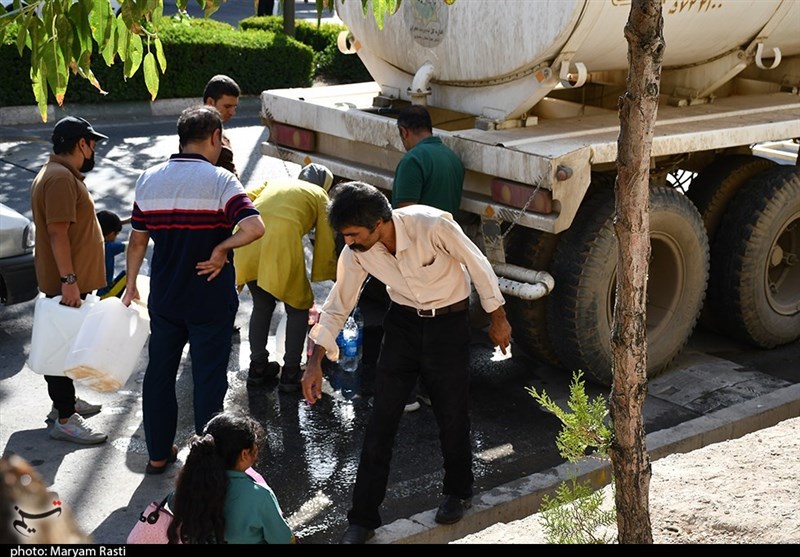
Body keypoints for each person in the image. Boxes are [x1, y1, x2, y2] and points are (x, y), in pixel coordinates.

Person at [301, 181, 512, 544]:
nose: (348, 242)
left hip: (448, 324)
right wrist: (314, 362)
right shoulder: (357, 251)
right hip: (401, 326)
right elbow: (339, 302)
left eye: (353, 234)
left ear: (381, 222)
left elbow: (477, 265)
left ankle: (458, 491)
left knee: (452, 414)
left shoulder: (432, 225)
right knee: (381, 421)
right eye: (345, 236)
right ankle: (362, 519)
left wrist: (498, 318)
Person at [121, 105, 265, 475]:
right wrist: (220, 249)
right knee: (208, 380)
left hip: (166, 297)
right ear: (215, 137)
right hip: (209, 298)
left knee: (159, 374)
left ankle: (156, 455)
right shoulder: (221, 181)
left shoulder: (149, 179)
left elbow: (137, 242)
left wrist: (131, 284)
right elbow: (254, 228)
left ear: (181, 138)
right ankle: (207, 461)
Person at [360, 104, 466, 411]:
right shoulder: (451, 159)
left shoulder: (413, 160)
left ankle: (402, 395)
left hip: (415, 256)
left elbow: (403, 216)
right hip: (444, 255)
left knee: (403, 328)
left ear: (404, 131)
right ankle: (433, 392)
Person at [30, 115, 109, 445]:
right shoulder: (60, 178)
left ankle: (65, 404)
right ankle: (64, 418)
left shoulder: (59, 174)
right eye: (93, 144)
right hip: (66, 283)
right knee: (60, 349)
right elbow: (57, 232)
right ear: (82, 144)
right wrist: (70, 279)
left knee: (67, 346)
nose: (94, 151)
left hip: (67, 282)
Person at [234, 163, 337, 391]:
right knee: (298, 307)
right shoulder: (320, 195)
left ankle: (257, 367)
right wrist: (330, 271)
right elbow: (326, 237)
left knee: (262, 305)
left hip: (247, 241)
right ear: (325, 186)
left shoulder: (274, 182)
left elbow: (242, 199)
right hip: (279, 244)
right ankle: (290, 372)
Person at [167, 412, 295, 544]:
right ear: (244, 454)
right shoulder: (261, 496)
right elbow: (282, 540)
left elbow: (173, 504)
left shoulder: (190, 486)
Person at [202, 74, 241, 176]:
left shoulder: (189, 130)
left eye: (234, 107)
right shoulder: (207, 139)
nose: (232, 112)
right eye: (227, 106)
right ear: (210, 102)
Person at [96, 209, 127, 298]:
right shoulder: (109, 247)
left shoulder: (93, 243)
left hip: (94, 292)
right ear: (111, 234)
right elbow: (134, 244)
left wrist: (126, 221)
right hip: (105, 294)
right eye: (116, 234)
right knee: (130, 274)